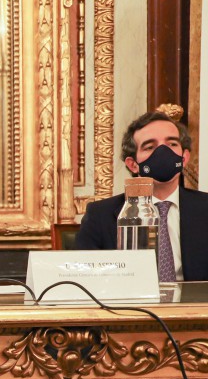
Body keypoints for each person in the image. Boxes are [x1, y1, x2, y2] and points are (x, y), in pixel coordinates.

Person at [75, 110, 208, 281]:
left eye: (172, 144)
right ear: (133, 164)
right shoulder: (100, 215)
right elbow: (84, 278)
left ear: (184, 158)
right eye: (150, 147)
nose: (163, 152)